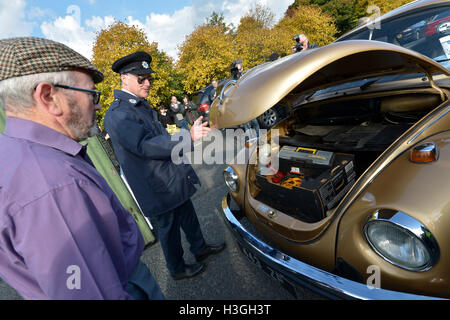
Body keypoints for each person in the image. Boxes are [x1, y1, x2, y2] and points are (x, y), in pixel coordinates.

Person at [0, 37, 164, 300]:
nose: (97, 105)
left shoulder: (16, 154)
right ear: (49, 97)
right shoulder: (53, 186)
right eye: (91, 93)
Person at [103, 51, 226, 281]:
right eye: (141, 78)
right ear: (124, 78)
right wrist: (186, 137)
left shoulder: (137, 106)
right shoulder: (118, 114)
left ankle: (200, 249)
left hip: (169, 177)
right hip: (156, 184)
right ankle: (176, 268)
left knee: (187, 214)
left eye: (149, 77)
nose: (148, 82)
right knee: (169, 228)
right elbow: (146, 145)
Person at [230, 59, 260, 137]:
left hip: (248, 103)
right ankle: (250, 140)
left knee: (255, 122)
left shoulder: (246, 76)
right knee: (246, 125)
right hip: (240, 105)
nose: (239, 71)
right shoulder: (233, 80)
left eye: (240, 69)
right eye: (237, 70)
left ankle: (258, 137)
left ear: (242, 69)